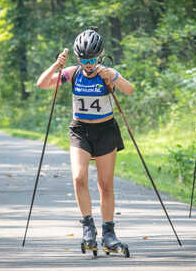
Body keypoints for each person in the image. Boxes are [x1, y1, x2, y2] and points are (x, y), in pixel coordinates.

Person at [37, 27, 134, 255]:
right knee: (79, 177)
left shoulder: (106, 73)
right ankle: (88, 228)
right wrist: (57, 65)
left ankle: (109, 235)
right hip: (80, 131)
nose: (88, 64)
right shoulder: (72, 72)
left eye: (91, 59)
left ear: (99, 55)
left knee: (105, 185)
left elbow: (130, 90)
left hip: (105, 131)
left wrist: (115, 77)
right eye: (83, 59)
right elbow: (42, 83)